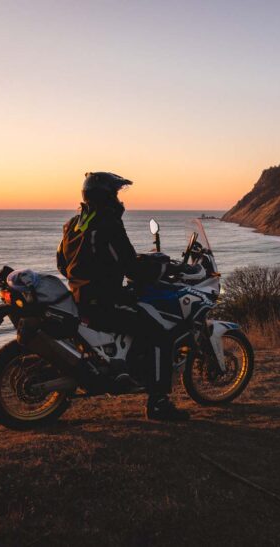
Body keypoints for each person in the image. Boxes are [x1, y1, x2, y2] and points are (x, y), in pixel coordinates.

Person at [56, 172, 190, 421]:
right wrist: (160, 267)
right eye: (115, 194)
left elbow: (63, 265)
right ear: (107, 196)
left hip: (80, 297)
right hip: (105, 300)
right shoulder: (107, 223)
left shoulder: (73, 224)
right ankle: (159, 403)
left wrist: (97, 271)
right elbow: (129, 266)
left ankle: (129, 368)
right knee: (159, 334)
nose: (119, 200)